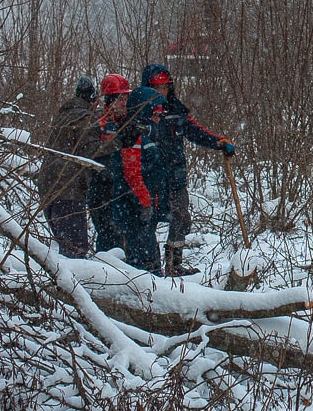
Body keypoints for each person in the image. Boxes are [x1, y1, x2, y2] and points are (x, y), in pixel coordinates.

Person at [139, 63, 235, 277]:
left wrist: (218, 142)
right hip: (150, 179)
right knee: (147, 222)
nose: (161, 92)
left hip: (175, 177)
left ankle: (174, 264)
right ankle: (148, 267)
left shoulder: (176, 111)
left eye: (165, 87)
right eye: (156, 87)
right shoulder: (140, 113)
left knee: (181, 218)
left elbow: (195, 131)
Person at [35, 76, 101, 258]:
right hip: (67, 188)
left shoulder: (63, 115)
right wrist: (118, 140)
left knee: (65, 246)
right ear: (93, 100)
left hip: (49, 186)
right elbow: (92, 150)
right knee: (75, 249)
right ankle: (73, 285)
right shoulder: (84, 118)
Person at [114, 80, 169, 275]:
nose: (159, 118)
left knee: (149, 254)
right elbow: (132, 173)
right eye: (155, 113)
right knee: (142, 261)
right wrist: (145, 203)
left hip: (145, 208)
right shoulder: (133, 133)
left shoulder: (148, 134)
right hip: (134, 209)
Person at [89, 73, 131, 254]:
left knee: (123, 237)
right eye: (120, 98)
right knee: (108, 236)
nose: (124, 103)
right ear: (110, 99)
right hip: (101, 190)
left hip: (122, 190)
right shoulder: (98, 122)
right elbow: (93, 151)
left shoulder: (128, 121)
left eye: (126, 98)